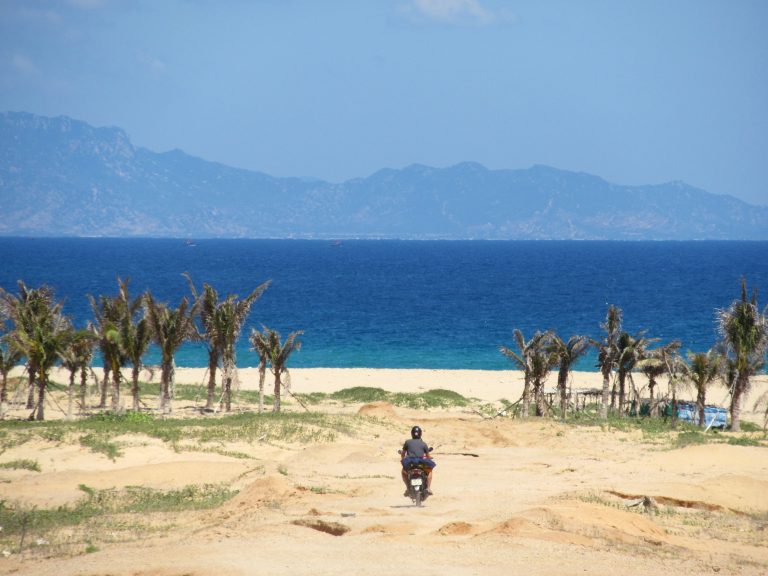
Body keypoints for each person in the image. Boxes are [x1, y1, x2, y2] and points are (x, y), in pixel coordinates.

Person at [400, 425, 435, 496]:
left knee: (403, 472)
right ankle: (428, 488)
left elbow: (403, 453)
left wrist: (403, 458)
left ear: (412, 433)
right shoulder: (423, 443)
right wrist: (430, 457)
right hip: (421, 462)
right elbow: (428, 456)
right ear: (420, 434)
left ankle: (408, 488)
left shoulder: (407, 442)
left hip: (410, 462)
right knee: (429, 470)